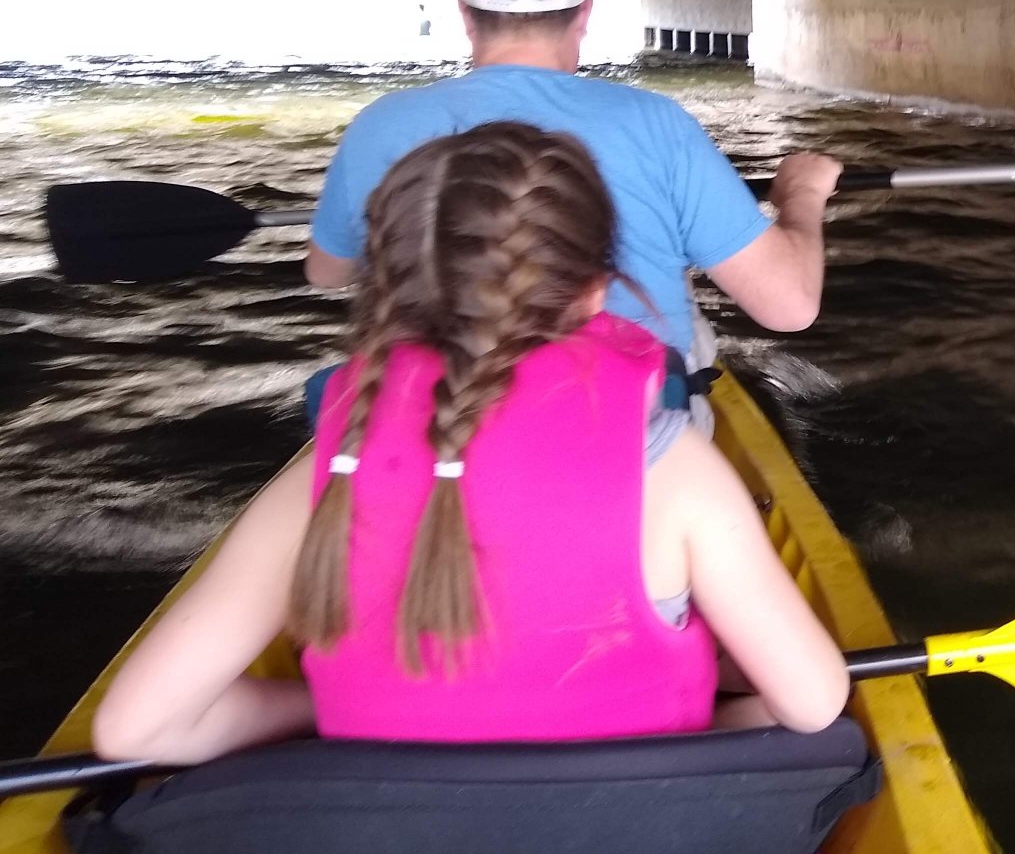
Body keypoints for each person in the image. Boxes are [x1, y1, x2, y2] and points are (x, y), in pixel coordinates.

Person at [92, 123, 849, 764]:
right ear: (595, 291)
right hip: (639, 852)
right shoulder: (675, 469)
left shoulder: (329, 476)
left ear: (386, 290)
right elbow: (813, 704)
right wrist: (711, 722)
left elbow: (137, 730)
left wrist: (309, 708)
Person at [306, 0, 838, 432]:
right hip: (627, 422)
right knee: (691, 325)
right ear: (583, 14)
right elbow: (788, 307)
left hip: (438, 421)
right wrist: (803, 197)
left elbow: (327, 273)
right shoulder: (656, 123)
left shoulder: (380, 125)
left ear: (466, 15)